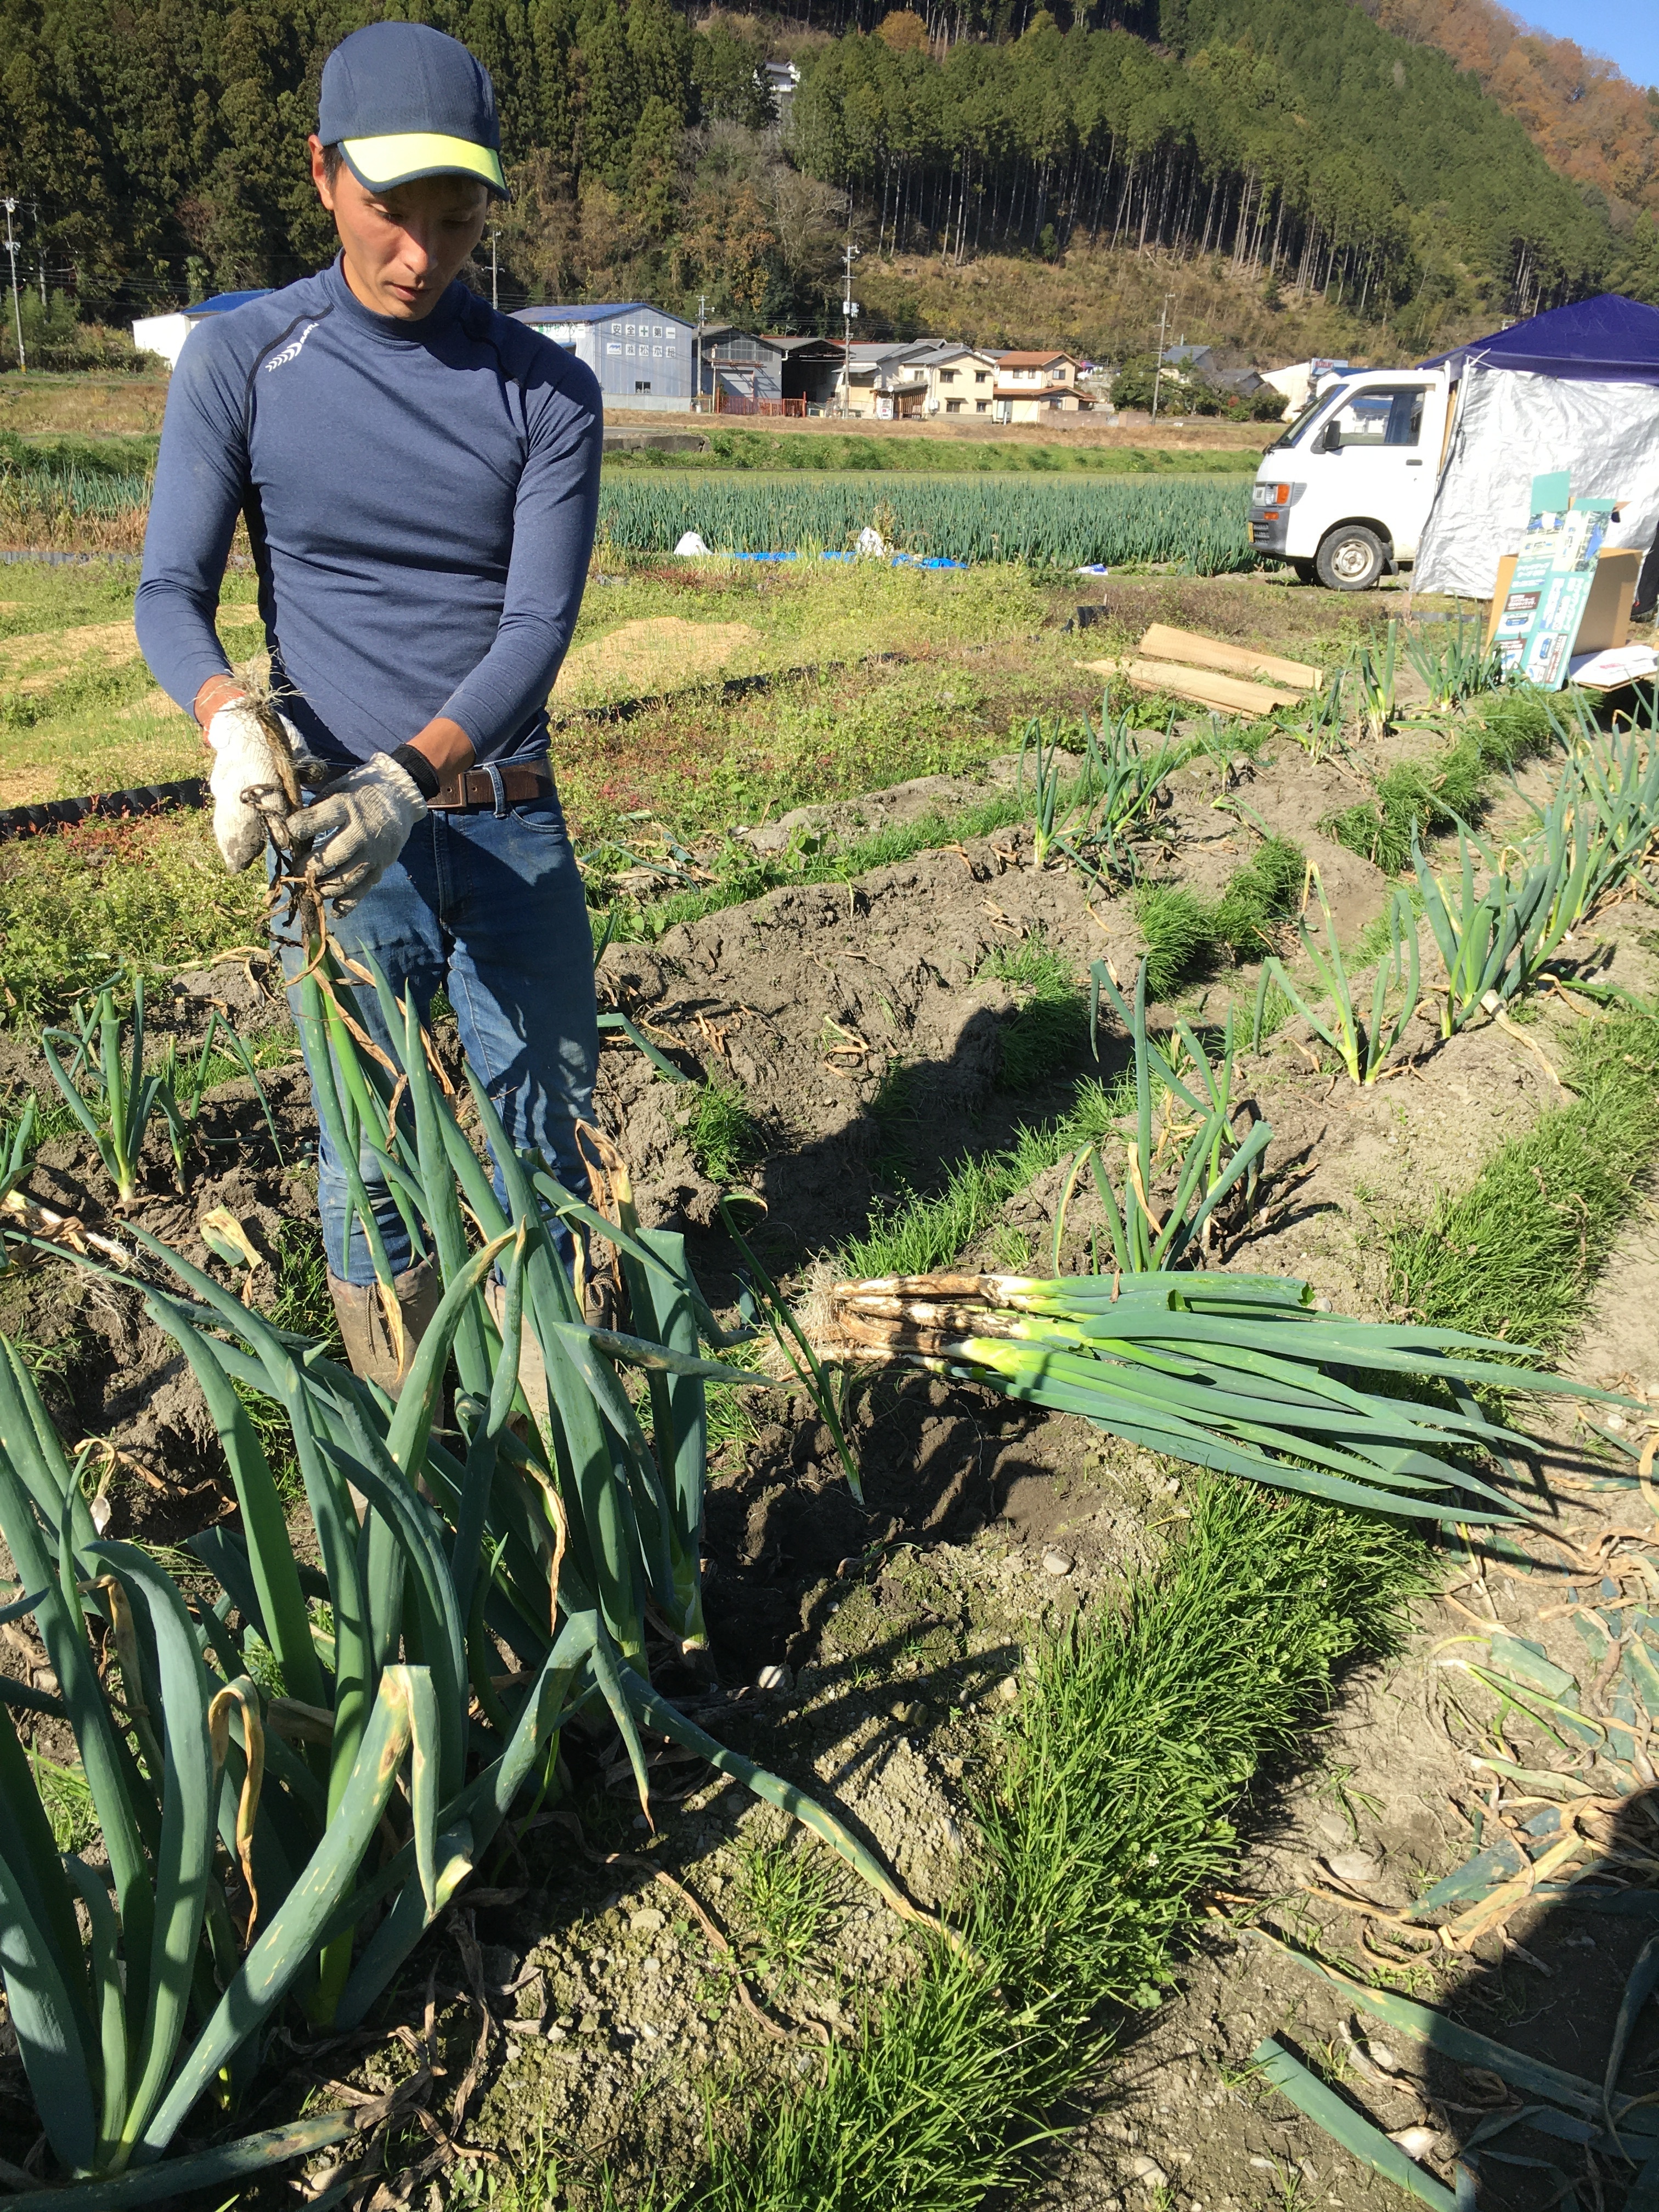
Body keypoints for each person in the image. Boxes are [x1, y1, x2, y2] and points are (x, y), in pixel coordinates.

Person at [134, 20, 603, 1390]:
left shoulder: (549, 390)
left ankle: (551, 1440)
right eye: (394, 215)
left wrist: (415, 776)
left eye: (457, 224)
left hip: (506, 829)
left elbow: (536, 627)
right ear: (325, 174)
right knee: (374, 1158)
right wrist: (231, 720)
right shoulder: (242, 360)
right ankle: (414, 1446)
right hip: (337, 850)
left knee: (545, 1147)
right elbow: (172, 588)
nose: (422, 255)